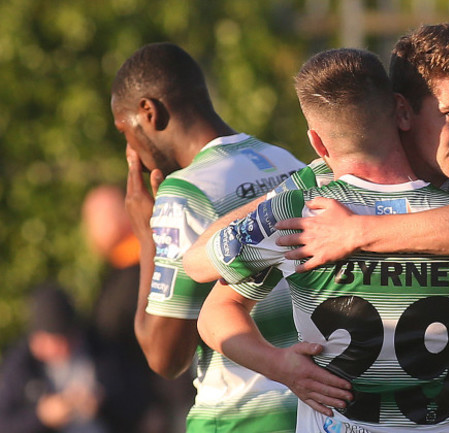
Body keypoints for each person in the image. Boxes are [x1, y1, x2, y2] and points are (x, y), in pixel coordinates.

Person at [196, 48, 449, 433]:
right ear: (399, 113)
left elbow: (210, 300)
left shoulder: (302, 214)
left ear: (318, 142)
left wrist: (280, 367)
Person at [183, 23, 449, 281]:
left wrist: (356, 233)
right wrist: (282, 363)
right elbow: (198, 261)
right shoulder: (329, 177)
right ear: (403, 111)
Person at [110, 42, 307, 432]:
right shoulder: (287, 161)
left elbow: (164, 356)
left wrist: (146, 237)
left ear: (149, 112)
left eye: (125, 131)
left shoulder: (184, 193)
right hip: (315, 407)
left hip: (242, 414)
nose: (130, 149)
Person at [82, 185, 194, 433]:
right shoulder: (119, 271)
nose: (88, 230)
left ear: (118, 217)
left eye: (93, 219)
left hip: (161, 404)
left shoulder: (143, 267)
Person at [0, 283, 137, 433]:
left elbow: (136, 400)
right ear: (37, 339)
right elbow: (5, 424)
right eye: (56, 341)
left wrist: (103, 403)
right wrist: (41, 417)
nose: (64, 347)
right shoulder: (19, 368)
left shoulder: (100, 349)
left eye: (68, 338)